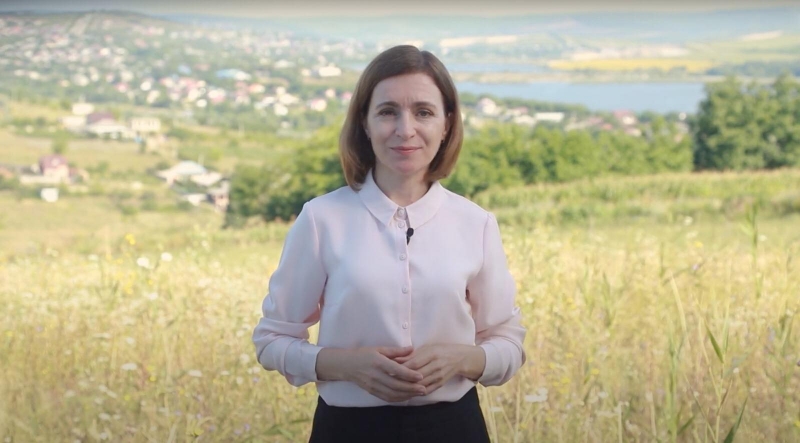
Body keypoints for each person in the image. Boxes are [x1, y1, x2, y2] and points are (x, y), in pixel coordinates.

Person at [252, 45, 527, 443]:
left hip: (455, 428)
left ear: (447, 124)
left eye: (423, 112)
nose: (405, 129)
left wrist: (463, 358)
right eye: (387, 112)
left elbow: (509, 343)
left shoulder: (476, 224)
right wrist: (346, 366)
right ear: (364, 123)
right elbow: (271, 340)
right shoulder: (320, 219)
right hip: (347, 431)